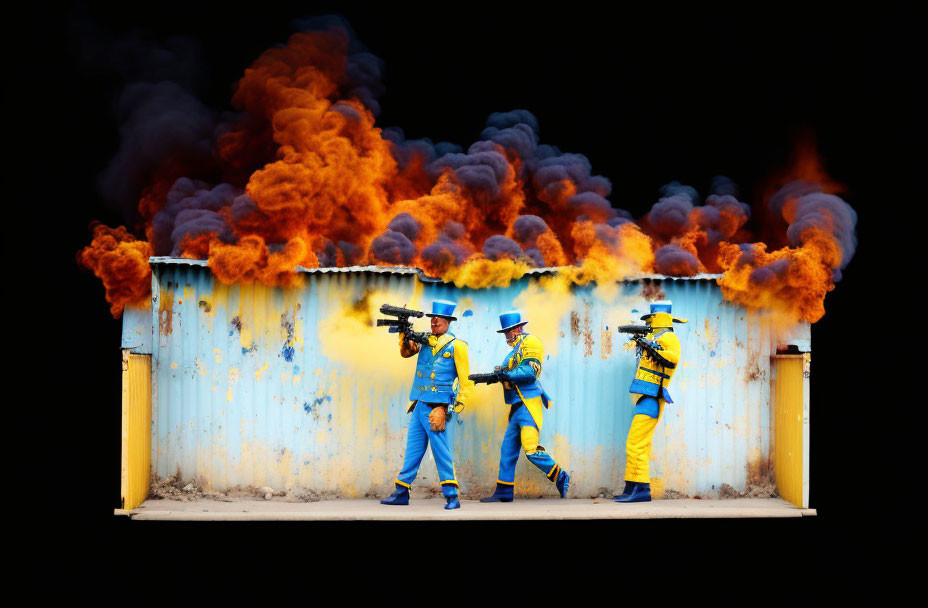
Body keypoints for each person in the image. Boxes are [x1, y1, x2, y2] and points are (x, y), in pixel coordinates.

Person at [380, 299, 474, 510]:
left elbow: (465, 383)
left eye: (439, 319)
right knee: (412, 449)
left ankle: (452, 495)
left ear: (448, 321)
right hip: (420, 403)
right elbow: (406, 352)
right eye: (432, 319)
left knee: (441, 452)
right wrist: (404, 332)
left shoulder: (457, 346)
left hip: (437, 408)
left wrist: (448, 409)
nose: (434, 322)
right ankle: (402, 491)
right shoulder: (424, 340)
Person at [480, 310, 570, 502]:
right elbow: (505, 372)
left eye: (509, 331)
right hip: (515, 405)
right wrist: (491, 377)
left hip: (529, 404)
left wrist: (506, 375)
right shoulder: (513, 351)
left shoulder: (532, 342)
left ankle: (559, 475)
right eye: (505, 332)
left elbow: (531, 370)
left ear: (519, 328)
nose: (507, 336)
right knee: (508, 450)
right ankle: (504, 491)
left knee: (530, 449)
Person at [615, 300, 687, 503]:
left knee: (636, 444)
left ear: (659, 319)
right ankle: (632, 488)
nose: (648, 324)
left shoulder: (669, 338)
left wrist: (650, 344)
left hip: (652, 398)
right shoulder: (656, 337)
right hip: (644, 398)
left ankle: (640, 490)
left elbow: (670, 359)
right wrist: (641, 340)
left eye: (651, 320)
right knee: (638, 445)